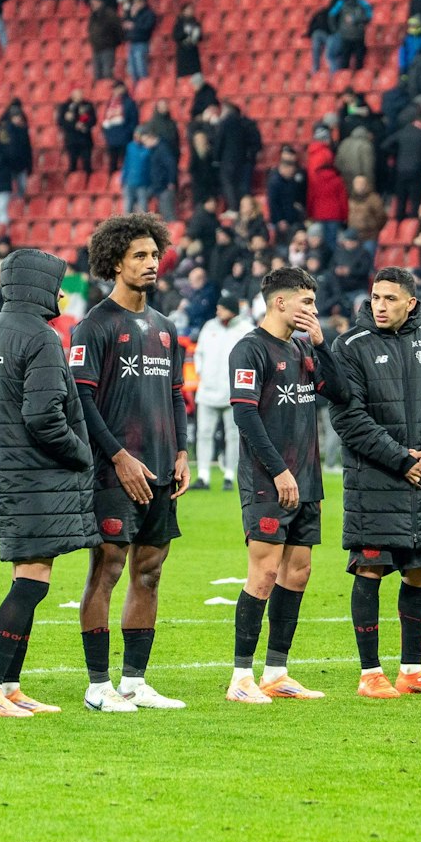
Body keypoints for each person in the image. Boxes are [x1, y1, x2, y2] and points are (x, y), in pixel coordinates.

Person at [330, 267, 421, 698]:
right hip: (375, 480)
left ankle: (411, 671)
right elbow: (347, 416)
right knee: (370, 567)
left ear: (411, 302)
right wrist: (399, 458)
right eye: (375, 297)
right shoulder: (350, 346)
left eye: (390, 298)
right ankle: (370, 673)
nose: (380, 305)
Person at [0, 249, 97, 718]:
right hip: (37, 473)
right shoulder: (40, 337)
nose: (62, 293)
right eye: (57, 284)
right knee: (32, 580)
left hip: (9, 467)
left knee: (27, 575)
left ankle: (8, 684)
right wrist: (83, 453)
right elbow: (44, 415)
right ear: (38, 286)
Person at [70, 216, 190, 713]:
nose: (150, 264)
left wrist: (182, 452)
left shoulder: (165, 329)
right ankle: (98, 685)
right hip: (113, 472)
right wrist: (118, 458)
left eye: (154, 255)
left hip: (161, 469)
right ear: (114, 262)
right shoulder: (94, 326)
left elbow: (177, 395)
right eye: (139, 256)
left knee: (151, 570)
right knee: (108, 567)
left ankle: (136, 682)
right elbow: (81, 402)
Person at [224, 267, 348, 703]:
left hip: (306, 480)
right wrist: (278, 471)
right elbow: (245, 416)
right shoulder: (249, 349)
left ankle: (276, 671)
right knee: (264, 574)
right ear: (280, 302)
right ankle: (241, 677)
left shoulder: (302, 348)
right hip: (268, 481)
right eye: (307, 303)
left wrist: (321, 343)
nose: (314, 311)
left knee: (298, 573)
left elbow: (340, 392)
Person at [194, 291, 252, 491]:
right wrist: (201, 372)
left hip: (233, 393)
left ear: (232, 310)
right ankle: (203, 476)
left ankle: (229, 475)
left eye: (222, 307)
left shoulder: (246, 330)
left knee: (234, 435)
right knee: (203, 433)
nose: (218, 310)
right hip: (207, 391)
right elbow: (198, 353)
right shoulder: (209, 326)